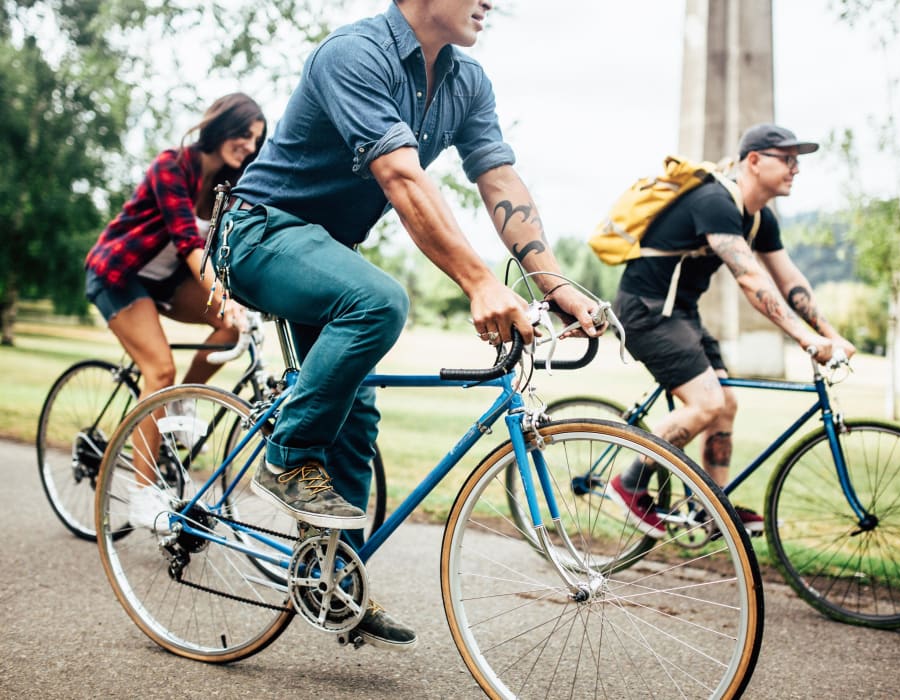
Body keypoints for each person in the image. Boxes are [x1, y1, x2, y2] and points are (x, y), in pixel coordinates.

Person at [213, 0, 602, 651]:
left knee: (358, 414)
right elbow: (400, 174)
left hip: (322, 253)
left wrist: (554, 282)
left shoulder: (465, 81)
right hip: (256, 234)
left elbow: (498, 176)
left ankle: (331, 580)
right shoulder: (354, 54)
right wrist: (478, 281)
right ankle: (285, 458)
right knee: (381, 301)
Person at [608, 123, 857, 538]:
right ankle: (629, 482)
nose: (796, 168)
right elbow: (751, 279)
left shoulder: (759, 219)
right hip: (646, 312)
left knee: (726, 405)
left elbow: (788, 278)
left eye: (799, 161)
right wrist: (806, 340)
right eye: (788, 159)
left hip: (681, 313)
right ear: (754, 161)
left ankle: (711, 508)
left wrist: (829, 333)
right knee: (705, 404)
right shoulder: (715, 201)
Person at [84, 93, 267, 530]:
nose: (249, 146)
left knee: (228, 327)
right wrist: (223, 296)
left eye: (256, 141)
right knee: (158, 369)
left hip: (167, 284)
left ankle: (181, 400)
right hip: (118, 275)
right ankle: (143, 497)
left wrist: (246, 300)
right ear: (222, 125)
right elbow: (188, 243)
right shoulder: (172, 165)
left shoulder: (229, 186)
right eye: (244, 134)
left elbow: (228, 250)